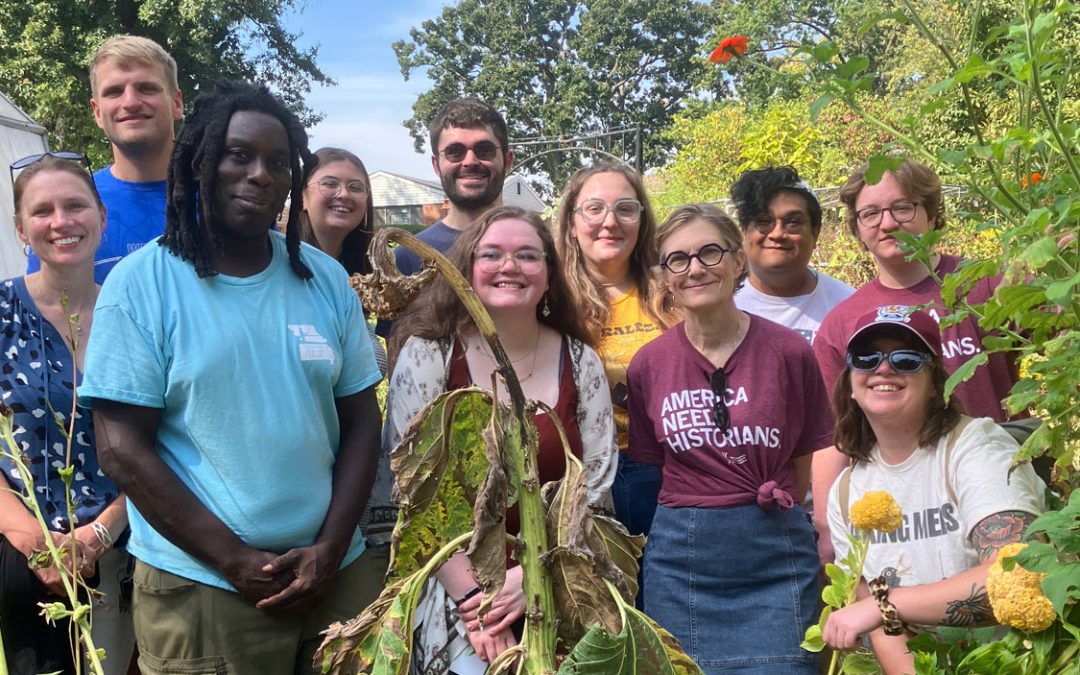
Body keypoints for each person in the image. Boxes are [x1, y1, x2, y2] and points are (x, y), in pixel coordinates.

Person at [80, 82, 383, 674]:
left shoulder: (322, 280)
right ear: (199, 163)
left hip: (336, 579)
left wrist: (327, 549)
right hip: (205, 588)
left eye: (276, 161)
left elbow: (362, 421)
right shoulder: (143, 285)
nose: (259, 175)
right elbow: (120, 447)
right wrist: (234, 559)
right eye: (237, 154)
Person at [385, 206, 617, 674]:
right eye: (491, 254)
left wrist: (536, 577)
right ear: (466, 269)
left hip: (565, 585)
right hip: (461, 597)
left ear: (549, 275)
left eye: (528, 256)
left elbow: (595, 490)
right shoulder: (429, 356)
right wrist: (478, 601)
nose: (509, 266)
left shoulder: (581, 360)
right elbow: (417, 498)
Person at [627, 203, 833, 674]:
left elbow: (804, 454)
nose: (695, 268)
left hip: (775, 553)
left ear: (738, 260)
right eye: (678, 259)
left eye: (709, 253)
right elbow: (657, 465)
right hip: (682, 562)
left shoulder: (789, 352)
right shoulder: (648, 365)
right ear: (664, 276)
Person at [812, 158, 1018, 565]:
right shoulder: (843, 324)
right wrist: (825, 527)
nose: (887, 223)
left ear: (930, 212)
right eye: (870, 213)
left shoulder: (987, 283)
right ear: (857, 228)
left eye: (902, 207)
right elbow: (834, 432)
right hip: (903, 505)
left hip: (997, 482)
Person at [822, 305, 1044, 674]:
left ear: (935, 384)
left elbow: (1016, 576)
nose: (883, 368)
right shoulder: (846, 490)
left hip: (1016, 659)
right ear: (850, 384)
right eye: (866, 358)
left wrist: (884, 604)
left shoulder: (976, 447)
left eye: (906, 359)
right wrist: (881, 610)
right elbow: (884, 630)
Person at [1, 154, 134, 674]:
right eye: (43, 211)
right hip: (21, 557)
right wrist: (36, 543)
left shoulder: (134, 316)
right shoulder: (3, 313)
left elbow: (166, 440)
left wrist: (99, 534)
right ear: (21, 229)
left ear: (101, 216)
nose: (61, 221)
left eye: (75, 205)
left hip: (124, 551)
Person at [554, 164, 667, 543]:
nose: (610, 221)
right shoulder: (549, 300)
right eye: (594, 208)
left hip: (665, 473)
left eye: (625, 209)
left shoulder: (671, 293)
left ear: (641, 220)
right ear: (571, 222)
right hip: (580, 474)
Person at [298, 146, 390, 606]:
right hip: (308, 459)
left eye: (356, 187)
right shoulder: (282, 267)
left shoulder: (375, 273)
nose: (344, 195)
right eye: (330, 183)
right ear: (301, 196)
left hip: (365, 462)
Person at [26, 35, 183, 283]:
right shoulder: (66, 213)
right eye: (114, 92)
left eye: (146, 88)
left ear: (177, 103)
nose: (130, 102)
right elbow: (45, 313)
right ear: (97, 112)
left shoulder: (224, 197)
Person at [730, 166, 854, 344]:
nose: (777, 234)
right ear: (744, 232)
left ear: (815, 232)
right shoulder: (720, 305)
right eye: (763, 221)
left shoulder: (848, 307)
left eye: (793, 222)